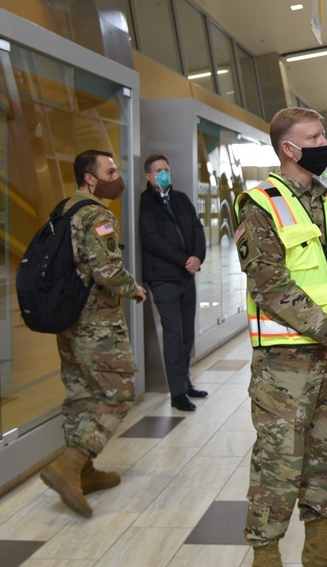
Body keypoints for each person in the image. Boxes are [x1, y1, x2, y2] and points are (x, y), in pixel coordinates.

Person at [235, 107, 327, 567]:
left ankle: (319, 541)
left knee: (326, 453)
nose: (323, 142)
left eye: (323, 134)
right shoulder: (259, 203)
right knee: (279, 459)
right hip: (284, 362)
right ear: (289, 148)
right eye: (313, 136)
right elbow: (269, 283)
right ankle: (264, 563)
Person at [39, 150, 147, 518]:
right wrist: (133, 287)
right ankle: (70, 463)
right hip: (95, 321)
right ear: (90, 179)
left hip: (66, 316)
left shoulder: (64, 209)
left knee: (80, 392)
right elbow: (106, 268)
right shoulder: (97, 214)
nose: (117, 178)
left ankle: (83, 475)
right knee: (120, 391)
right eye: (110, 172)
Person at [139, 154, 208, 412]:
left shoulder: (181, 199)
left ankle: (186, 382)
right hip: (163, 278)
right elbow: (153, 239)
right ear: (149, 176)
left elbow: (197, 229)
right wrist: (184, 259)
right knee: (173, 335)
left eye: (166, 168)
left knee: (187, 335)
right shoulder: (146, 203)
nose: (164, 173)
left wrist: (198, 257)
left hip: (186, 276)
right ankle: (177, 393)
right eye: (158, 170)